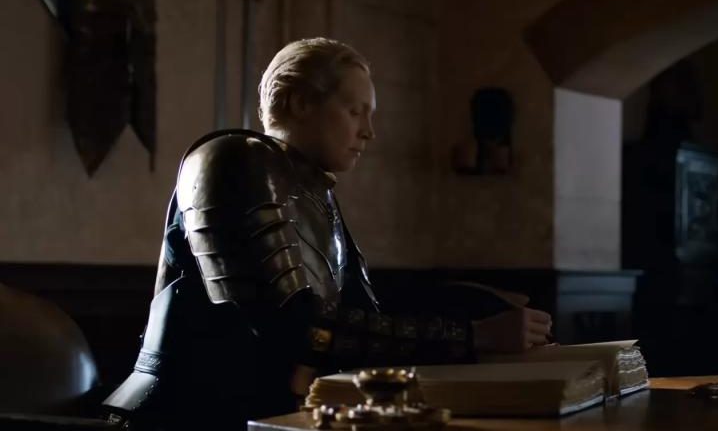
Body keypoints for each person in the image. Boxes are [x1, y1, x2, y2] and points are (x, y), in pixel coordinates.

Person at [103, 38, 552, 430]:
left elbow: (362, 317)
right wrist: (472, 335)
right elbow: (298, 327)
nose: (368, 132)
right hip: (189, 411)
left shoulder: (314, 191)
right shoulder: (234, 159)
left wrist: (478, 307)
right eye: (355, 111)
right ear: (300, 103)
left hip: (263, 408)